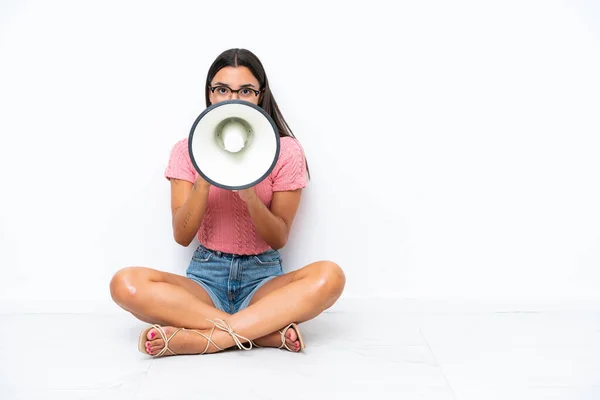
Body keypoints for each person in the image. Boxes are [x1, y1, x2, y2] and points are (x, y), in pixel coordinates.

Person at [109, 48, 346, 357]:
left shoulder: (286, 151)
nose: (233, 98)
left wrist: (249, 191)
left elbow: (278, 237)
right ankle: (261, 332)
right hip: (206, 279)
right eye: (222, 89)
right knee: (124, 284)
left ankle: (203, 339)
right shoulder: (185, 151)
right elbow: (182, 236)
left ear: (260, 95)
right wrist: (204, 175)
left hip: (262, 281)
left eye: (245, 90)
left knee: (331, 276)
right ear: (209, 94)